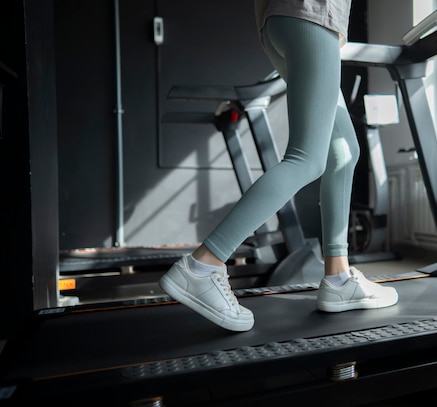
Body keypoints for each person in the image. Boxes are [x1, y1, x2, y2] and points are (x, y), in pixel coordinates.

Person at [159, 0, 398, 332]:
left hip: (282, 19)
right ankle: (202, 267)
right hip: (313, 14)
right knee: (306, 158)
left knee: (341, 152)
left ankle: (339, 277)